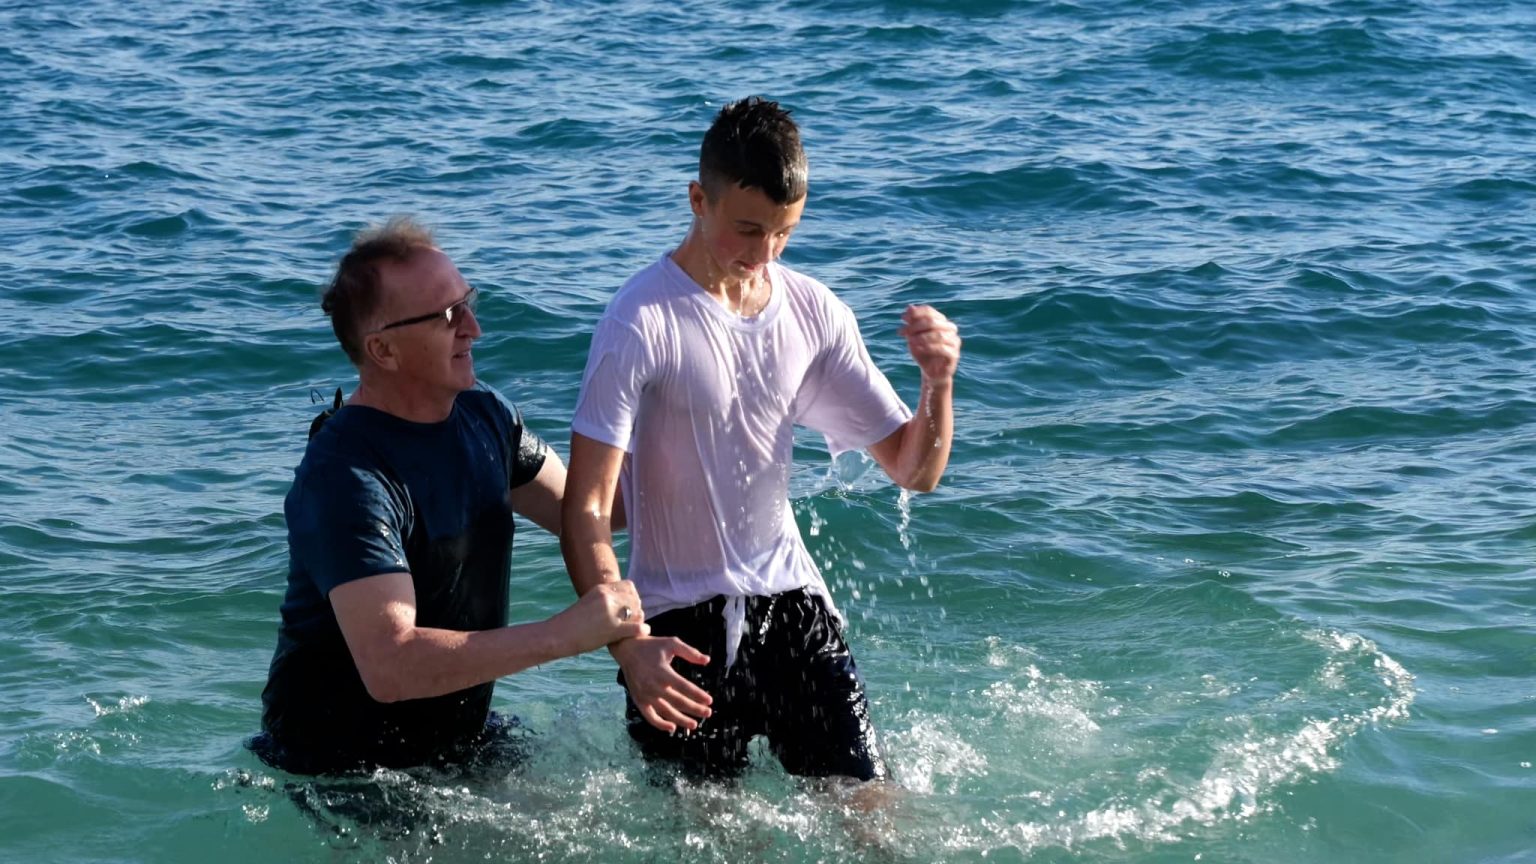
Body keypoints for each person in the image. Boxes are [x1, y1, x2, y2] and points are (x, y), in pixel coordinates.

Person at [561, 97, 962, 781]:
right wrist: (629, 649)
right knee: (718, 840)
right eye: (748, 230)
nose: (765, 253)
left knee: (874, 817)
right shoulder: (639, 321)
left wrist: (938, 385)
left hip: (794, 606)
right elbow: (586, 512)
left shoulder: (812, 310)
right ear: (698, 199)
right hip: (676, 631)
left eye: (784, 233)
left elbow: (912, 471)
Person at [252, 217, 648, 776]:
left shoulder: (485, 415)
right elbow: (391, 665)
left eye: (468, 302)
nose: (474, 328)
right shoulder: (346, 475)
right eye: (446, 316)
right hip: (341, 763)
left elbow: (593, 510)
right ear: (383, 349)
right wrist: (566, 634)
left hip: (459, 739)